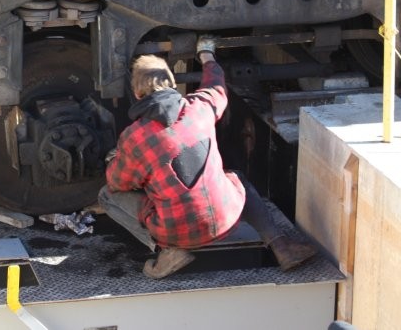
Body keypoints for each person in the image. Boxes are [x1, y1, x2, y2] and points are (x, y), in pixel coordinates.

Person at [99, 36, 317, 279]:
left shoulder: (135, 137)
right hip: (225, 220)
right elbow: (216, 85)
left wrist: (117, 160)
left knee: (107, 195)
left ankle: (168, 251)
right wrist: (206, 55)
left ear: (138, 93)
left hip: (175, 232)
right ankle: (281, 245)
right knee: (237, 179)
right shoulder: (199, 108)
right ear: (171, 83)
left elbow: (118, 183)